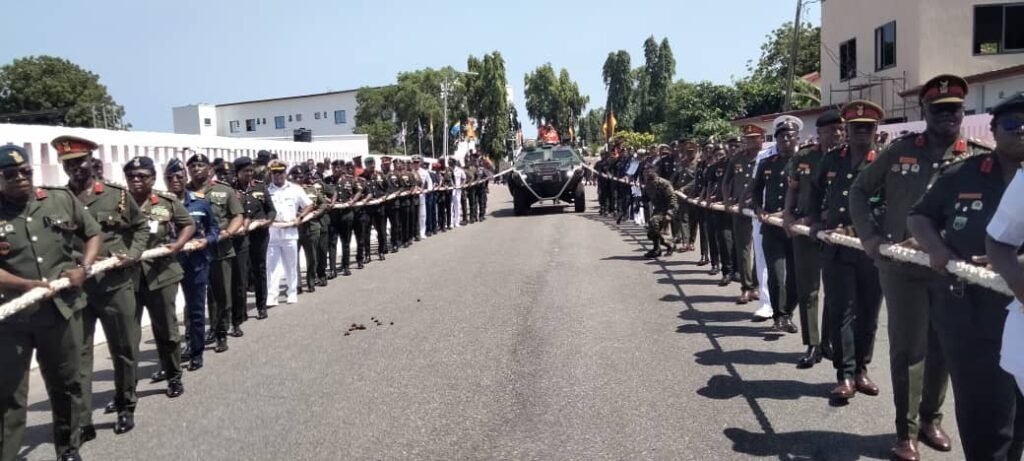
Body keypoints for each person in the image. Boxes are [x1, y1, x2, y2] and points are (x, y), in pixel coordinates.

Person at [850, 74, 990, 460]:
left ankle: (931, 418)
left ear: (964, 112)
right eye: (938, 109)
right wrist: (870, 237)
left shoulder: (977, 157)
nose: (947, 115)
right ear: (923, 111)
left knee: (942, 347)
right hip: (903, 269)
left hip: (952, 272)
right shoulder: (900, 152)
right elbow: (860, 191)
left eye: (954, 109)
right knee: (909, 349)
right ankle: (905, 431)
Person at [910, 92, 1024, 461]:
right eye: (1012, 122)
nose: (1021, 129)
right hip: (970, 313)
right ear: (993, 130)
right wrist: (936, 249)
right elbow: (919, 215)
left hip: (1019, 308)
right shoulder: (964, 173)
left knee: (1019, 412)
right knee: (984, 418)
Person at [0, 144, 101, 461]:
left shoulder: (59, 198)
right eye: (10, 174)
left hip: (60, 312)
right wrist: (25, 284)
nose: (21, 178)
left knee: (66, 384)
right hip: (14, 320)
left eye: (26, 171)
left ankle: (68, 449)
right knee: (9, 394)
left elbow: (93, 234)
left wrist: (83, 268)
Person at [54, 135, 148, 437]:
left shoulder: (115, 195)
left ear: (92, 163)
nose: (74, 169)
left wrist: (133, 255)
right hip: (77, 291)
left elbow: (141, 227)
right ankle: (83, 421)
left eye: (79, 162)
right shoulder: (58, 199)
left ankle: (125, 405)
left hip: (114, 286)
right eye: (68, 164)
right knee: (79, 357)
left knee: (123, 350)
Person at [808, 101, 885, 403]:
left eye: (868, 127)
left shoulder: (883, 161)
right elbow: (813, 190)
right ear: (847, 130)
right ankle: (845, 374)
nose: (861, 132)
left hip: (869, 250)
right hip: (836, 250)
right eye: (856, 127)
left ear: (876, 131)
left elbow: (890, 204)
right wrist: (814, 220)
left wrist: (857, 231)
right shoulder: (831, 159)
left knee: (868, 312)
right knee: (841, 312)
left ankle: (862, 369)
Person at [123, 155, 194, 398]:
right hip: (126, 279)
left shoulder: (166, 202)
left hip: (161, 273)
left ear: (153, 178)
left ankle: (173, 376)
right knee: (127, 337)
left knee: (166, 330)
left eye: (142, 176)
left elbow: (188, 224)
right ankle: (126, 391)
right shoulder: (117, 202)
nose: (136, 180)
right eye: (131, 176)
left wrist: (178, 245)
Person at [785, 110, 844, 369]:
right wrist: (787, 214)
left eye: (840, 129)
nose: (838, 134)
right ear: (819, 133)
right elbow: (793, 188)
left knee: (834, 290)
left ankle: (829, 340)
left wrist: (819, 216)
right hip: (803, 229)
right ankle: (813, 344)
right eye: (831, 130)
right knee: (808, 288)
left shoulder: (848, 158)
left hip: (836, 232)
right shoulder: (804, 157)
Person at [186, 151, 243, 354]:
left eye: (200, 166)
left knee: (221, 296)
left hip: (220, 250)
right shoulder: (182, 193)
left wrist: (228, 232)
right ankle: (193, 340)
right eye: (192, 166)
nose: (196, 169)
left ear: (210, 170)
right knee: (194, 298)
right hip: (193, 254)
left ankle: (221, 333)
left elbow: (237, 216)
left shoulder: (224, 191)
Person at [165, 158, 218, 371]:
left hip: (196, 263)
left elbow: (213, 228)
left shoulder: (200, 201)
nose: (175, 180)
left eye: (179, 177)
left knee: (196, 310)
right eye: (171, 177)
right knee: (166, 316)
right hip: (168, 265)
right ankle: (169, 360)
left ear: (185, 178)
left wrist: (207, 241)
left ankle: (196, 352)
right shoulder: (158, 203)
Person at [751, 118, 800, 334]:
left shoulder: (804, 162)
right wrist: (759, 209)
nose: (786, 139)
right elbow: (755, 192)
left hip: (797, 228)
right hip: (771, 226)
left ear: (797, 138)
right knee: (777, 274)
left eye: (790, 135)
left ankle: (788, 311)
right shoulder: (766, 164)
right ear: (776, 139)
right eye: (782, 136)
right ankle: (779, 316)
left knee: (796, 277)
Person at [266, 160, 314, 305]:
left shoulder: (295, 189)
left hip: (290, 232)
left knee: (291, 264)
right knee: (272, 266)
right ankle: (272, 295)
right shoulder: (266, 190)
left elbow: (309, 204)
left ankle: (291, 292)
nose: (278, 175)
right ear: (271, 174)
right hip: (272, 232)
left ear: (285, 173)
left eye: (280, 172)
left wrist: (300, 217)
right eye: (275, 172)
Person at [235, 156, 275, 320]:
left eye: (251, 170)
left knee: (259, 269)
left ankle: (261, 306)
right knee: (242, 273)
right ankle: (241, 310)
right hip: (241, 236)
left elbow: (271, 210)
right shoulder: (232, 189)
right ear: (237, 173)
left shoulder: (260, 187)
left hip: (259, 235)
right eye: (245, 171)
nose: (249, 174)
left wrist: (269, 220)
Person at [723, 130, 760, 303]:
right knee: (744, 248)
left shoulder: (766, 158)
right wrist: (727, 200)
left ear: (761, 140)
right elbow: (726, 181)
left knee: (760, 251)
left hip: (760, 210)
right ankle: (746, 287)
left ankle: (757, 285)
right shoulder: (736, 159)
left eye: (754, 139)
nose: (751, 142)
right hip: (740, 209)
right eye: (748, 139)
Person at [295, 165, 326, 293]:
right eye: (296, 176)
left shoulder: (312, 190)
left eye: (301, 176)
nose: (299, 178)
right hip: (294, 229)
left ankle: (311, 281)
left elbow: (323, 203)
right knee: (293, 259)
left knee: (312, 257)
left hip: (312, 227)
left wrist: (316, 213)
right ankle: (297, 285)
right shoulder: (289, 191)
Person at [332, 162, 362, 276]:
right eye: (334, 167)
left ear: (342, 168)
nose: (336, 169)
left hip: (346, 214)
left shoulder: (350, 180)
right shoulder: (328, 180)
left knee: (345, 241)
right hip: (334, 215)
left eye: (339, 167)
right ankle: (333, 268)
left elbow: (358, 191)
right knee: (333, 243)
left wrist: (353, 200)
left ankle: (346, 265)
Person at [643, 163, 677, 258]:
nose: (647, 172)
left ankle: (668, 245)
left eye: (649, 170)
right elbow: (646, 197)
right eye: (646, 170)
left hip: (668, 208)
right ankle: (658, 248)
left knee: (654, 222)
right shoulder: (648, 184)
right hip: (658, 209)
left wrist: (670, 213)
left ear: (654, 170)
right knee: (652, 231)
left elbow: (672, 198)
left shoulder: (663, 183)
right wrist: (639, 200)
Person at [361, 157, 389, 260]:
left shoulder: (380, 175)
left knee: (381, 230)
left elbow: (387, 187)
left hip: (379, 206)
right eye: (369, 164)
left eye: (372, 163)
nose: (371, 165)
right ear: (366, 165)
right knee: (366, 231)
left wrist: (384, 196)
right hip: (367, 208)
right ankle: (367, 254)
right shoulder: (361, 177)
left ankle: (381, 251)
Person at [451, 158, 466, 228]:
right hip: (450, 190)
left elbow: (464, 178)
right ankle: (451, 222)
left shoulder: (460, 170)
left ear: (454, 163)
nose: (451, 164)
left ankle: (457, 222)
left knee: (457, 206)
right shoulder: (448, 170)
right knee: (450, 207)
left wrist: (462, 185)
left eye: (451, 163)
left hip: (457, 190)